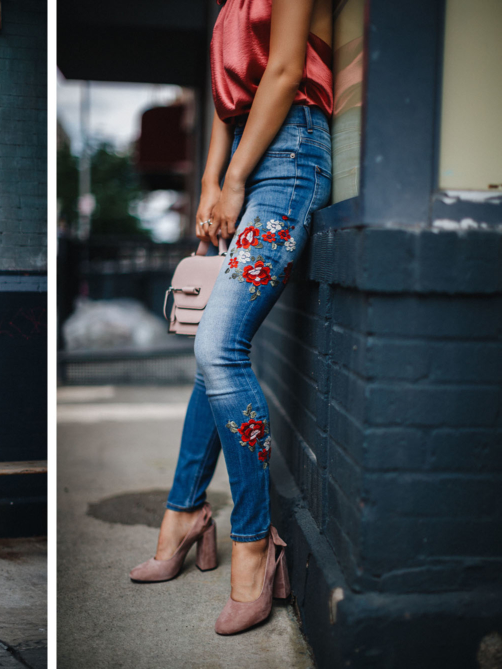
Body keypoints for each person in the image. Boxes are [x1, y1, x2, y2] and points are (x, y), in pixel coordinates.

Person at [129, 0, 334, 635]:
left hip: (289, 155)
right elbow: (227, 101)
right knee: (210, 354)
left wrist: (237, 177)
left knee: (217, 348)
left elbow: (283, 71)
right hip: (248, 158)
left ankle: (252, 541)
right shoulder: (223, 7)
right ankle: (186, 511)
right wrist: (211, 182)